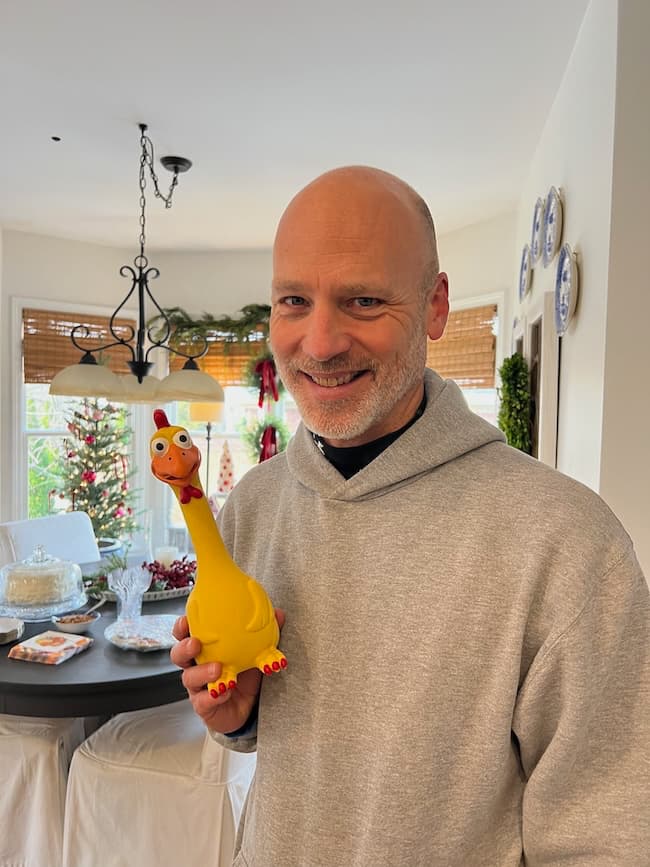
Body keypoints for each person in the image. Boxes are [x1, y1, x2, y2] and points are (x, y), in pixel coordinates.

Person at [171, 166, 650, 866]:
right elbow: (287, 751)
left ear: (435, 304)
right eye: (294, 300)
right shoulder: (253, 506)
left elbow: (608, 834)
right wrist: (240, 718)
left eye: (363, 300)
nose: (321, 341)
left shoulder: (567, 542)